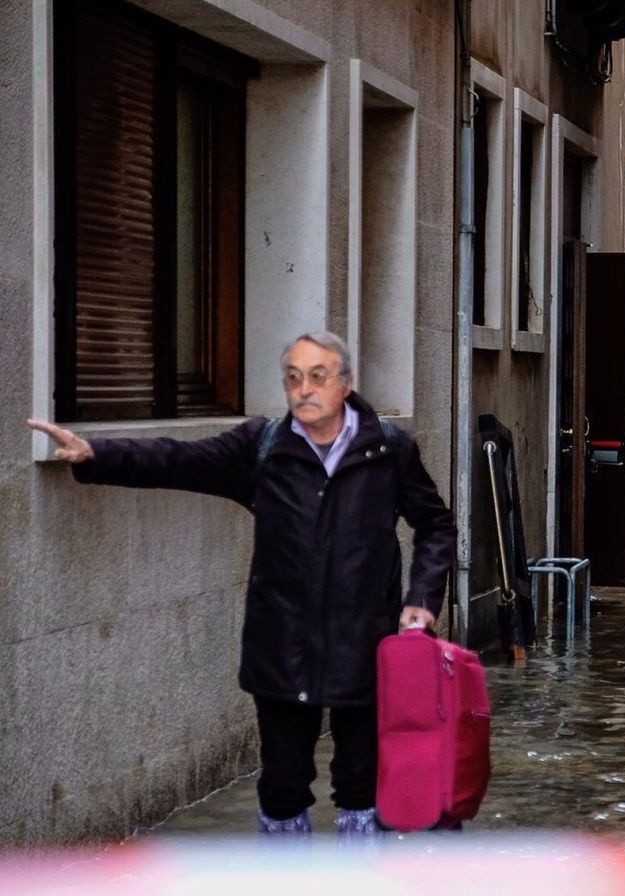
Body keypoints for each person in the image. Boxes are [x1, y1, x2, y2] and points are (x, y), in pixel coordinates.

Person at [28, 331, 456, 837]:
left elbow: (436, 525)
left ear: (346, 383)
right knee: (282, 785)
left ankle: (358, 895)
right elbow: (177, 460)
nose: (304, 389)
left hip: (363, 641)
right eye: (293, 378)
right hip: (281, 646)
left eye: (318, 377)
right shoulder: (264, 445)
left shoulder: (388, 449)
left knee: (362, 786)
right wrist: (96, 454)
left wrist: (421, 601)